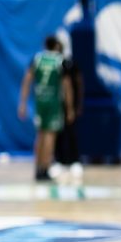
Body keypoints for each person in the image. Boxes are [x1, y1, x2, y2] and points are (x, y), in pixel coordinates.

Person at [18, 35, 74, 181]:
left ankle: (38, 168)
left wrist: (23, 103)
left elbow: (27, 80)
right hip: (53, 102)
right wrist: (70, 108)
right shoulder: (60, 61)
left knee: (40, 135)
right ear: (56, 46)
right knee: (50, 135)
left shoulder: (37, 59)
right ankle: (45, 168)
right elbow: (67, 86)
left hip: (40, 101)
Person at [52, 38, 84, 182]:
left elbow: (74, 84)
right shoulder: (51, 65)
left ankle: (74, 160)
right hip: (55, 105)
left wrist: (74, 106)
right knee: (57, 133)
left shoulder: (69, 64)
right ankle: (59, 160)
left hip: (68, 105)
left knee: (71, 132)